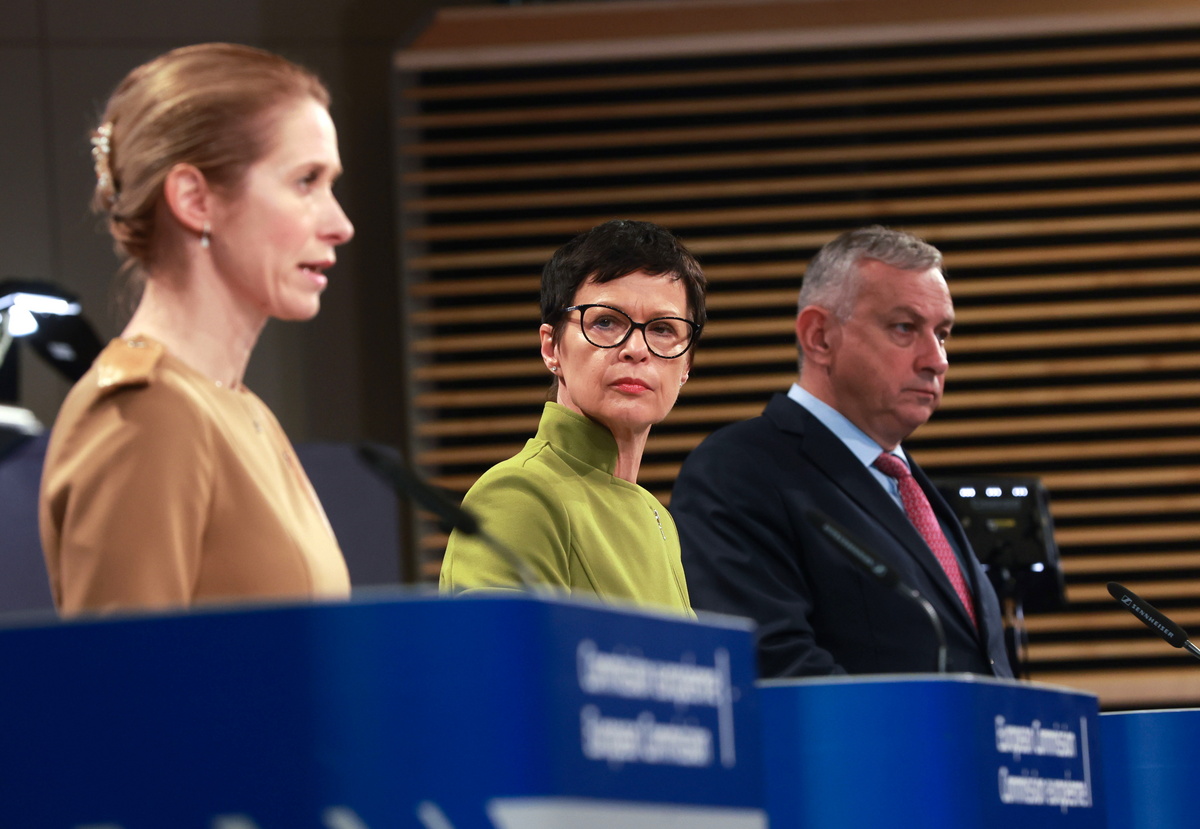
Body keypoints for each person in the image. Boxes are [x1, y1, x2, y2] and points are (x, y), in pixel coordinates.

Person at [39, 43, 356, 614]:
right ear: (194, 199)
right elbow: (122, 668)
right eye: (306, 181)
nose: (340, 225)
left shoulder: (235, 406)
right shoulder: (144, 412)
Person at [671, 226, 1013, 676]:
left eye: (943, 334)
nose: (937, 360)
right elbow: (772, 662)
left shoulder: (908, 486)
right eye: (905, 328)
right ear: (820, 337)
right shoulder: (737, 470)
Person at [439, 220, 705, 614]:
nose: (636, 349)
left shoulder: (658, 519)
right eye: (605, 322)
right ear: (551, 347)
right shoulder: (519, 493)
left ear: (687, 364)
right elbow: (493, 652)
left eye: (663, 328)